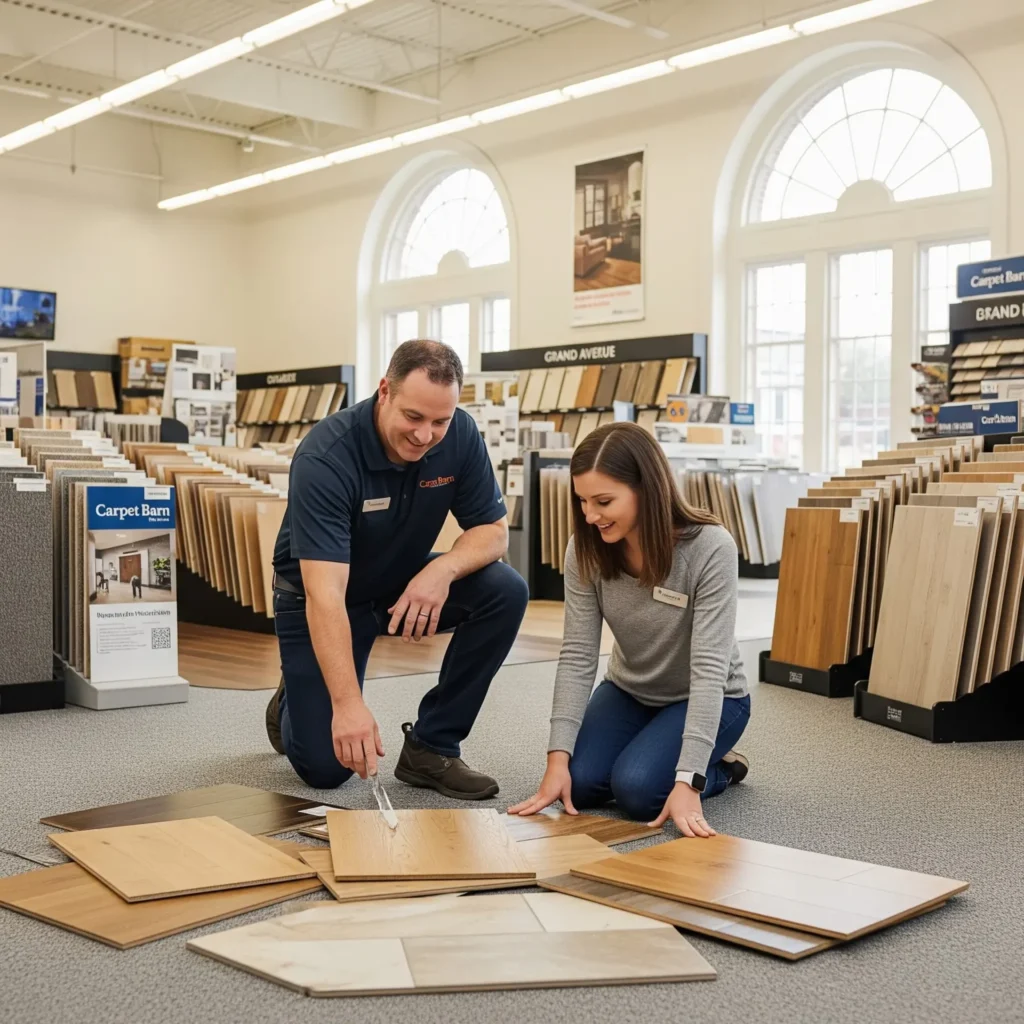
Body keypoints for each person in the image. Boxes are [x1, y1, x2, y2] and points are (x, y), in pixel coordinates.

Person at [268, 340, 529, 797]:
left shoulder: (461, 434)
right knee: (328, 769)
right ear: (384, 391)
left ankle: (432, 746)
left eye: (440, 421)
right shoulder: (325, 457)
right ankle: (294, 694)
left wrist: (441, 571)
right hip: (322, 597)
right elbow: (325, 594)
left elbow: (493, 532)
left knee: (505, 589)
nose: (425, 435)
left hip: (397, 583)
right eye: (413, 417)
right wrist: (348, 705)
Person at [510, 422, 750, 837]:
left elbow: (709, 669)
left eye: (603, 501)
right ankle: (656, 749)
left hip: (709, 696)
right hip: (630, 689)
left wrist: (690, 778)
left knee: (638, 791)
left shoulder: (711, 547)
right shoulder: (584, 547)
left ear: (647, 488)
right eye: (582, 501)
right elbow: (578, 656)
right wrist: (556, 759)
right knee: (577, 785)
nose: (590, 515)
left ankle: (720, 769)